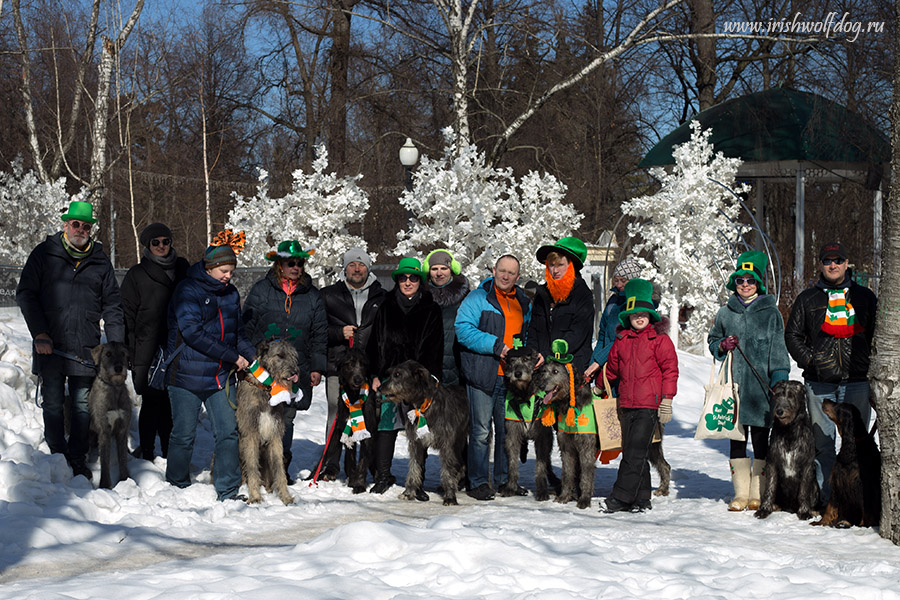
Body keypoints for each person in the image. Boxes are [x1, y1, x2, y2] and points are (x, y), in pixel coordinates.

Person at [16, 201, 125, 479]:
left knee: (81, 405)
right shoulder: (44, 254)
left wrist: (116, 344)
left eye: (86, 226)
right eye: (75, 224)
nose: (80, 229)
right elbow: (26, 293)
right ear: (66, 225)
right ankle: (57, 453)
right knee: (52, 402)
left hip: (84, 347)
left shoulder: (101, 261)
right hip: (49, 343)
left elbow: (112, 304)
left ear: (91, 230)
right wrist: (39, 332)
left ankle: (77, 457)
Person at [164, 230, 256, 502]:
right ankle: (176, 485)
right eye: (224, 271)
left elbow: (237, 334)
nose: (228, 276)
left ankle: (227, 490)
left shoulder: (230, 294)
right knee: (183, 434)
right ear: (210, 267)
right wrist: (231, 356)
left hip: (219, 377)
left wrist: (251, 358)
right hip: (186, 375)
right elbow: (191, 333)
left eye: (232, 271)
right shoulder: (187, 290)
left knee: (228, 432)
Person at [785, 241, 877, 503]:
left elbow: (876, 336)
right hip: (819, 384)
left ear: (847, 264)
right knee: (822, 445)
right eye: (828, 261)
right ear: (821, 265)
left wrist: (869, 367)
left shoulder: (865, 297)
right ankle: (829, 501)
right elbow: (792, 335)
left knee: (858, 443)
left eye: (838, 260)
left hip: (857, 381)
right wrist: (811, 362)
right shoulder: (807, 298)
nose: (833, 265)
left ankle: (859, 500)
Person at [707, 251, 790, 511]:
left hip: (762, 392)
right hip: (733, 390)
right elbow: (712, 342)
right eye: (741, 280)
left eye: (750, 280)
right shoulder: (725, 313)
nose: (745, 285)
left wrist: (779, 383)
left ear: (759, 283)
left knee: (761, 442)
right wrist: (721, 344)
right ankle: (740, 494)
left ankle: (759, 493)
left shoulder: (771, 314)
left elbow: (778, 352)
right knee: (736, 440)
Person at [242, 240, 327, 482]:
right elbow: (248, 324)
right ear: (280, 264)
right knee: (256, 416)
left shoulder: (312, 296)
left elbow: (319, 333)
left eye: (300, 263)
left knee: (285, 417)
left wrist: (318, 367)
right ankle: (252, 468)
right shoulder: (262, 290)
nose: (296, 267)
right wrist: (256, 354)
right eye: (291, 263)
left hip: (294, 368)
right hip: (264, 368)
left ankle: (279, 468)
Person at [455, 254, 531, 500]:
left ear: (518, 277)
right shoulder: (478, 297)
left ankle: (503, 480)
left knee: (507, 432)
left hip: (511, 378)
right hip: (482, 374)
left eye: (511, 273)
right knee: (480, 431)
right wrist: (495, 345)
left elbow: (527, 334)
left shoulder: (522, 301)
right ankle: (478, 482)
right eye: (502, 270)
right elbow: (463, 329)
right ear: (494, 270)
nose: (505, 276)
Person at [367, 257, 443, 494]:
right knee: (387, 426)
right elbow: (374, 344)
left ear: (420, 281)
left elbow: (435, 347)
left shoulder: (431, 308)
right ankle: (382, 476)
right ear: (397, 280)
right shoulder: (385, 306)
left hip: (418, 382)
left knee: (418, 430)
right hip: (390, 378)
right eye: (403, 278)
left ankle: (417, 481)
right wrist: (375, 374)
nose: (407, 282)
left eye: (412, 278)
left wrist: (429, 378)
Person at [603, 278, 677, 513]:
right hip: (626, 404)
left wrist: (667, 399)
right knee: (635, 451)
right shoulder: (622, 341)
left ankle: (621, 497)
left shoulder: (660, 341)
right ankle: (642, 497)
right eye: (635, 315)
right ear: (628, 318)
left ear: (651, 315)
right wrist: (598, 386)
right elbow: (612, 369)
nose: (639, 318)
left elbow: (670, 370)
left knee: (634, 452)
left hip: (649, 406)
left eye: (643, 313)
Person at [121, 222, 189, 461]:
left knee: (172, 403)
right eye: (155, 243)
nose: (161, 246)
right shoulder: (136, 275)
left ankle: (171, 453)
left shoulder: (183, 268)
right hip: (147, 347)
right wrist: (128, 351)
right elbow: (126, 316)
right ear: (147, 246)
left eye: (165, 241)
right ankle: (147, 453)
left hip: (177, 345)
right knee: (151, 401)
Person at [320, 248, 385, 478]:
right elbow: (317, 331)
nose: (357, 269)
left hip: (369, 367)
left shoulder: (382, 296)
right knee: (337, 414)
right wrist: (339, 332)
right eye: (351, 265)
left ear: (368, 268)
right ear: (345, 269)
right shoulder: (328, 295)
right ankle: (331, 463)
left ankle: (371, 464)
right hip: (340, 366)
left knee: (371, 416)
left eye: (361, 265)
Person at [527, 236, 595, 373]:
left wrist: (548, 354)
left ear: (571, 266)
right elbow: (533, 329)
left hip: (571, 366)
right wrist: (533, 355)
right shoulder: (542, 294)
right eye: (551, 265)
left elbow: (578, 333)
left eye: (560, 265)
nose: (555, 270)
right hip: (542, 366)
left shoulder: (582, 294)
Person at [584, 257, 642, 379]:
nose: (619, 284)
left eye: (623, 280)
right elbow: (602, 333)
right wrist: (594, 361)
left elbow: (623, 337)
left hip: (625, 365)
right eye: (616, 280)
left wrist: (598, 361)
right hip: (606, 361)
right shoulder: (613, 300)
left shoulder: (636, 304)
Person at [424, 249, 469, 386]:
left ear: (452, 270)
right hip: (428, 368)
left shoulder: (466, 298)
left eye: (444, 268)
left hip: (457, 367)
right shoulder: (421, 297)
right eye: (434, 268)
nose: (439, 273)